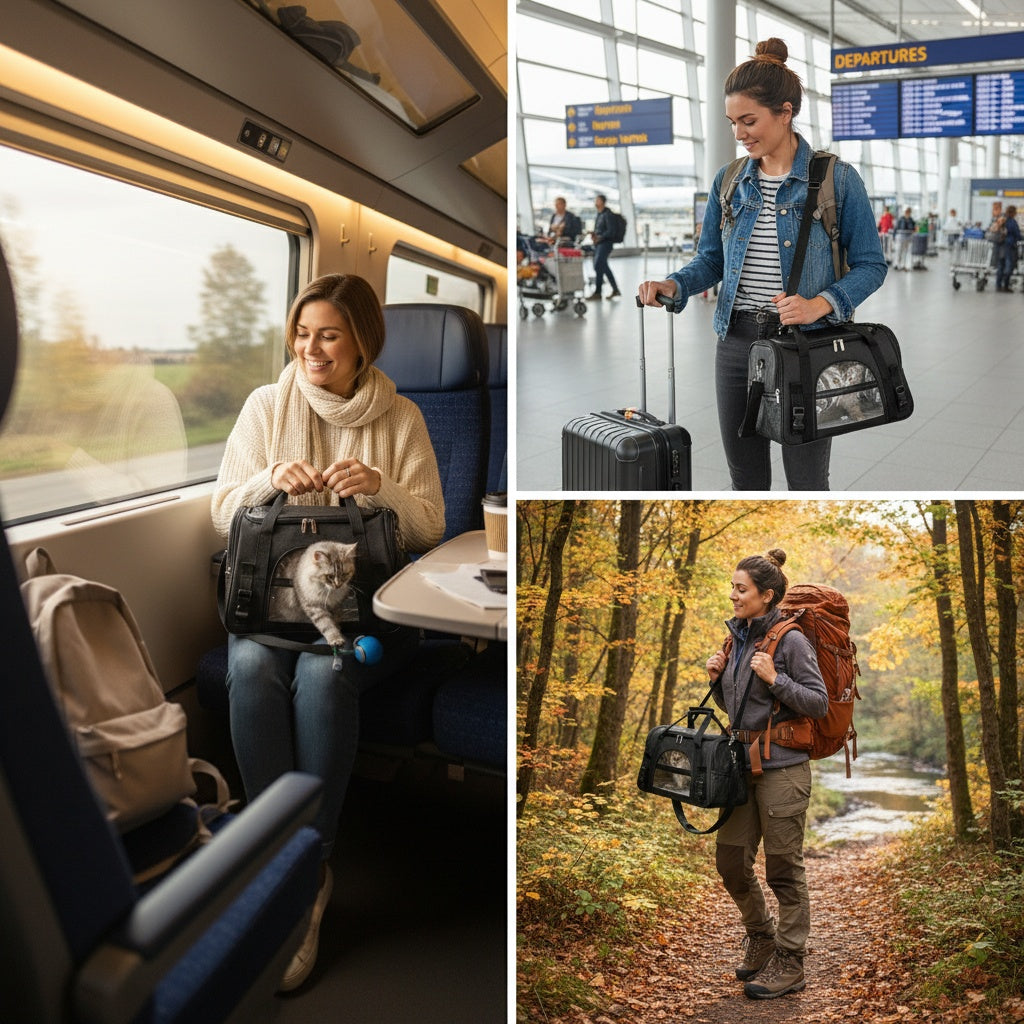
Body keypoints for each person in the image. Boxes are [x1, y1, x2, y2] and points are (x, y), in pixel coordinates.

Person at [211, 273, 444, 990]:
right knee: (249, 669)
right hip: (274, 607)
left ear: (361, 342)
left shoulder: (400, 416)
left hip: (368, 611)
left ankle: (309, 872)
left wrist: (381, 488)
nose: (311, 347)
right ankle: (274, 859)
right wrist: (269, 483)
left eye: (330, 334)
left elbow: (432, 525)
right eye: (302, 332)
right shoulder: (263, 406)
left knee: (325, 671)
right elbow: (222, 512)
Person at [637, 38, 886, 490]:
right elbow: (711, 259)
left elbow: (871, 264)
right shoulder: (730, 181)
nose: (739, 133)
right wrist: (676, 284)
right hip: (735, 343)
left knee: (808, 480)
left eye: (749, 121)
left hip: (805, 344)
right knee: (745, 477)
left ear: (785, 113)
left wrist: (821, 304)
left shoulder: (837, 179)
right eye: (733, 122)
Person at [705, 549, 828, 1000]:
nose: (734, 596)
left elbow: (818, 703)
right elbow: (737, 711)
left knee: (782, 869)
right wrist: (719, 679)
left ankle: (791, 961)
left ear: (767, 595)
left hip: (783, 770)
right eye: (733, 587)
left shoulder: (790, 640)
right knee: (731, 863)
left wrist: (776, 679)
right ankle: (762, 936)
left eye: (742, 589)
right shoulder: (736, 638)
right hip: (741, 766)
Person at [589, 194, 622, 299]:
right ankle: (614, 289)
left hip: (605, 244)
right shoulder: (599, 214)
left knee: (599, 265)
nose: (595, 202)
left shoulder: (608, 214)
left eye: (597, 200)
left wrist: (600, 237)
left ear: (602, 202)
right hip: (599, 244)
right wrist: (594, 235)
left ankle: (598, 292)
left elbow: (611, 231)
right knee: (602, 266)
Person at [995, 206, 1019, 292]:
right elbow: (1017, 234)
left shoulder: (1001, 219)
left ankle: (998, 285)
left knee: (1001, 266)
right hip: (1009, 246)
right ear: (1013, 213)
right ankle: (1006, 285)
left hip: (1000, 246)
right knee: (1009, 267)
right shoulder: (1012, 222)